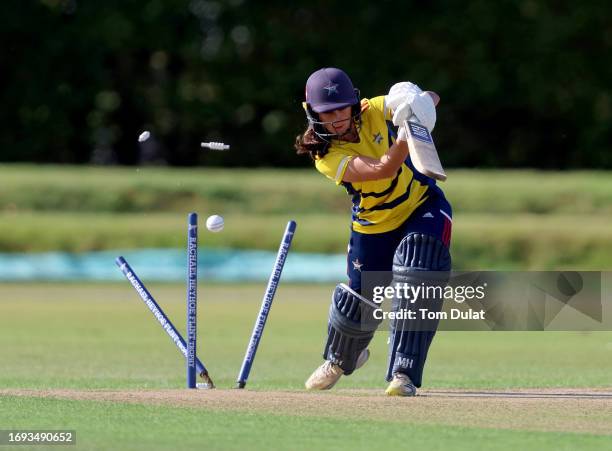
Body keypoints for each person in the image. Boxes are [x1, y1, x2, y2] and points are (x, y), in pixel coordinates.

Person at [294, 67, 452, 396]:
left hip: (421, 205)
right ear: (313, 114)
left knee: (421, 268)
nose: (336, 119)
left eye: (341, 109)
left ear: (353, 104)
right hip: (374, 225)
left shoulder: (376, 108)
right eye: (327, 113)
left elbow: (430, 100)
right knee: (360, 304)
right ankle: (341, 358)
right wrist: (408, 136)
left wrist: (419, 104)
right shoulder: (327, 156)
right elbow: (383, 169)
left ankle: (403, 373)